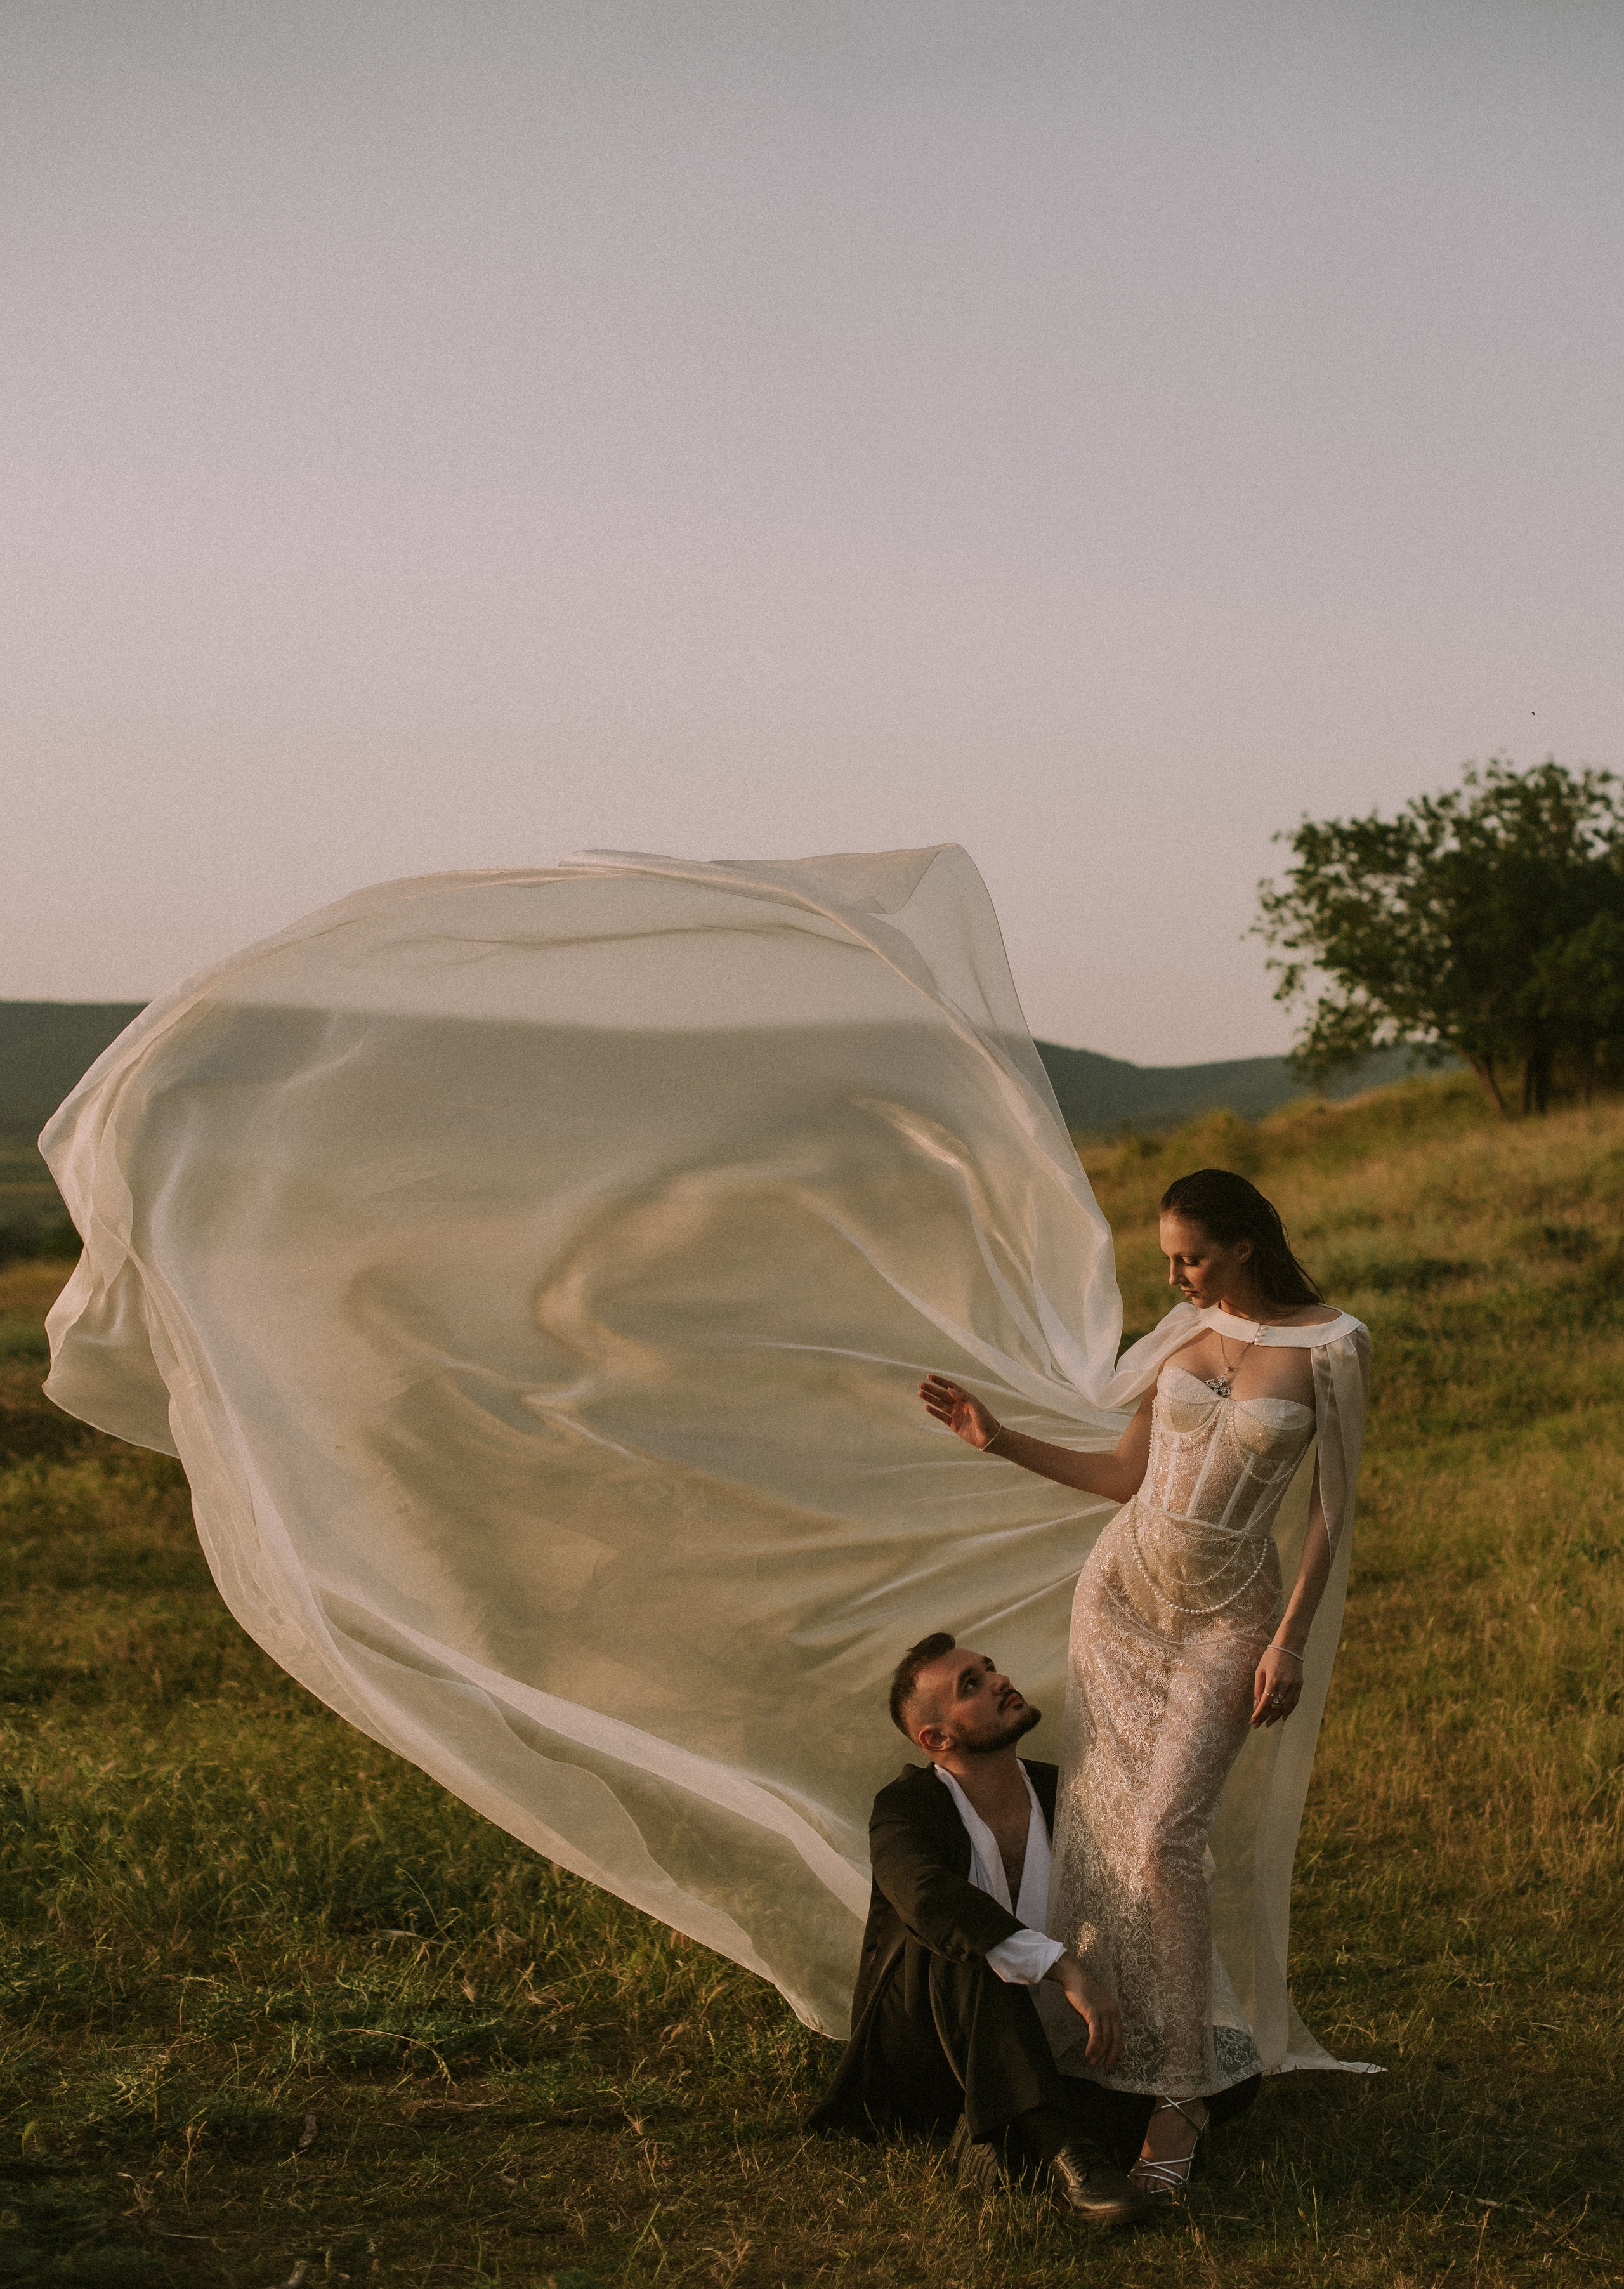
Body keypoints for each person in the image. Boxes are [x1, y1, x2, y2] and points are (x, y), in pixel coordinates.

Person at [920, 1167, 1370, 2197]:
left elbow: (1330, 1515)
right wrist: (1001, 1441)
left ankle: (1182, 2095)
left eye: (1192, 1254)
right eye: (1168, 1254)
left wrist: (1289, 1639)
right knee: (1107, 1819)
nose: (1175, 1273)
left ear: (1247, 1241)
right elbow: (1125, 1476)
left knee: (1168, 1828)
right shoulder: (1182, 1330)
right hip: (1121, 1594)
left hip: (1231, 1611)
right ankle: (1111, 2040)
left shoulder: (1335, 1344)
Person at [808, 1632, 1155, 2226]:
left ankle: (999, 2138)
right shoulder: (905, 1807)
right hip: (928, 2049)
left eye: (989, 1668)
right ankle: (1069, 2159)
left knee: (1231, 2071)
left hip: (1041, 2039)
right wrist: (1067, 1968)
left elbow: (1135, 1894)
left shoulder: (1061, 1791)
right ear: (937, 1739)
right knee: (964, 1946)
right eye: (971, 1684)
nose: (999, 1681)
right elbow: (928, 1899)